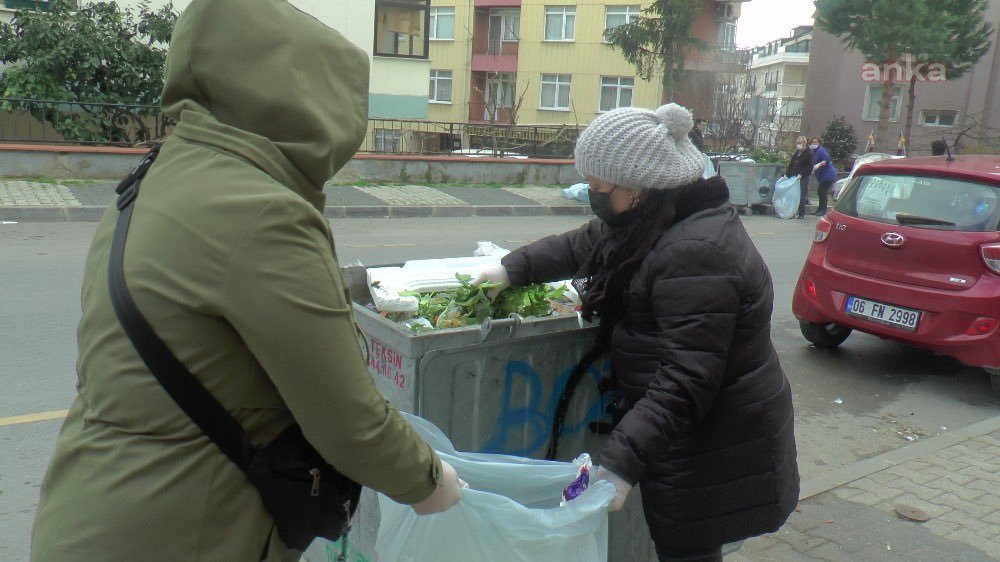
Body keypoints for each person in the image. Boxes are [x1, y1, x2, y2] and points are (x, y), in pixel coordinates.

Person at [31, 2, 463, 560]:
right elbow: (349, 421)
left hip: (90, 506)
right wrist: (430, 482)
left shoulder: (156, 176)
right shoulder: (264, 213)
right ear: (313, 102)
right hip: (183, 528)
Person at [477, 103, 799, 562]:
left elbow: (686, 381)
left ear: (638, 187)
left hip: (714, 445)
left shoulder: (694, 252)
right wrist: (509, 270)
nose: (592, 193)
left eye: (597, 185)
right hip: (689, 438)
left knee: (688, 550)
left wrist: (620, 463)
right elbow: (585, 242)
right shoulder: (656, 219)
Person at [786, 135, 814, 219]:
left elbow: (809, 166)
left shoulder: (809, 153)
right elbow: (792, 164)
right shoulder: (797, 153)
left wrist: (802, 174)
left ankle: (801, 214)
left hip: (802, 177)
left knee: (801, 195)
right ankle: (792, 212)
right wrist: (788, 174)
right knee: (792, 195)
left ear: (805, 143)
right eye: (797, 143)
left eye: (800, 143)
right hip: (794, 176)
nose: (798, 144)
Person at [810, 137, 838, 215]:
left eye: (816, 142)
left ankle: (823, 210)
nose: (814, 144)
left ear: (819, 143)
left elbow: (826, 159)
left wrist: (818, 165)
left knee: (822, 191)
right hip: (824, 175)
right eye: (812, 142)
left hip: (828, 174)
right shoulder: (815, 152)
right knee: (821, 191)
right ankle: (820, 209)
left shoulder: (820, 150)